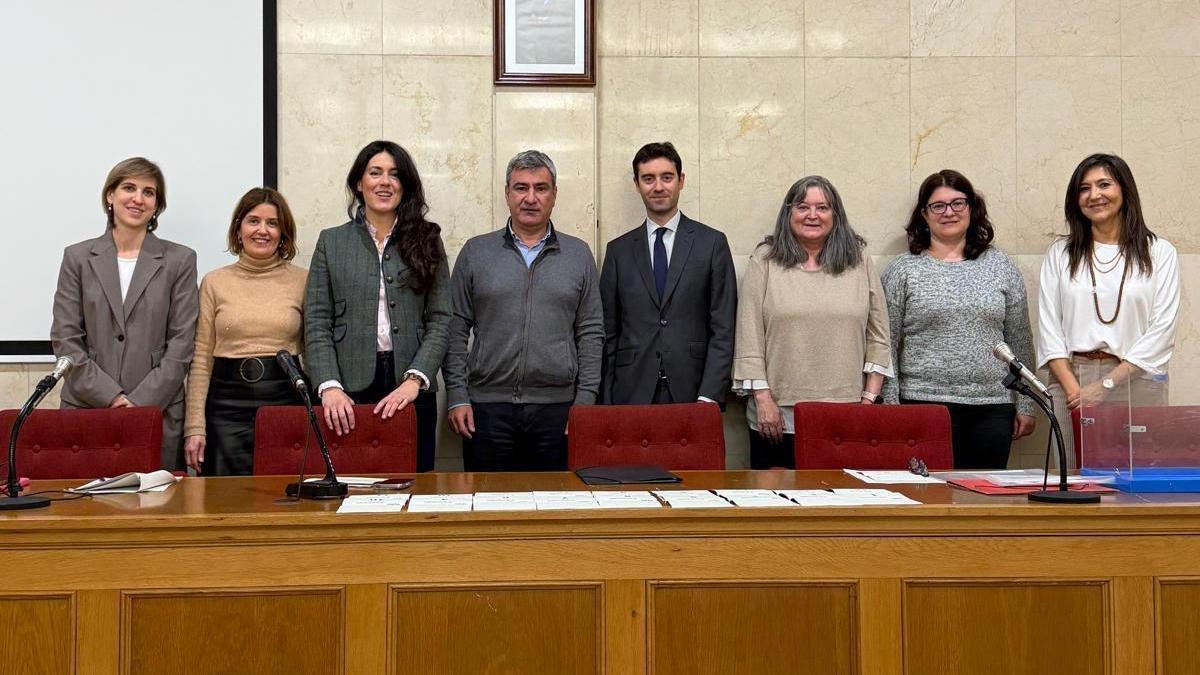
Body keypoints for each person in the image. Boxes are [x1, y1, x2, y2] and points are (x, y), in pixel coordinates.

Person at [444, 150, 604, 472]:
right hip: (486, 410)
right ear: (507, 194)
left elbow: (591, 331)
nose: (530, 198)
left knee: (556, 512)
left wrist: (585, 400)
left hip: (558, 410)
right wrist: (458, 395)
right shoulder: (477, 252)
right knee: (488, 508)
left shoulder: (578, 254)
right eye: (521, 187)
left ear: (554, 195)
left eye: (541, 188)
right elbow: (455, 326)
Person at [305, 141, 451, 473]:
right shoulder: (332, 241)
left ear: (405, 185)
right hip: (346, 391)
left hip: (411, 387)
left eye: (395, 174)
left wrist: (415, 380)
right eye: (375, 173)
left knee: (416, 487)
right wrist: (328, 386)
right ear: (359, 183)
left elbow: (441, 318)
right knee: (350, 489)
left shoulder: (427, 238)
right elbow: (316, 320)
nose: (385, 182)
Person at [733, 175, 891, 470]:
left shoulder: (858, 259)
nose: (812, 215)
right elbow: (748, 334)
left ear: (836, 214)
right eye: (803, 207)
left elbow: (879, 335)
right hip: (777, 416)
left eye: (823, 208)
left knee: (842, 510)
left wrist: (869, 401)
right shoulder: (765, 260)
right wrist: (763, 400)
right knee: (777, 511)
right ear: (788, 213)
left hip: (847, 416)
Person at [881, 170, 1036, 469]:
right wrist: (891, 408)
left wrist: (1027, 403)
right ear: (924, 215)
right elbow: (884, 343)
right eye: (938, 206)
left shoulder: (1001, 266)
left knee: (982, 506)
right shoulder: (902, 270)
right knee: (929, 503)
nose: (948, 212)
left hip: (992, 407)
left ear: (972, 208)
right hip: (923, 405)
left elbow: (1019, 339)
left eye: (958, 203)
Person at [51, 157, 198, 470]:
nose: (138, 198)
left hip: (156, 411)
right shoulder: (77, 257)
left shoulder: (180, 260)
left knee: (154, 513)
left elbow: (182, 343)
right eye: (129, 188)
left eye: (149, 192)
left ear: (157, 205)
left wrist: (138, 402)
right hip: (87, 408)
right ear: (110, 195)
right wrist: (112, 397)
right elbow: (66, 338)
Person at [1038, 153, 1180, 467]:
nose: (1094, 195)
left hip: (1137, 379)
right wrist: (1077, 392)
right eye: (1084, 188)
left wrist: (1105, 386)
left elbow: (1162, 330)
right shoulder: (1060, 254)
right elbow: (1050, 330)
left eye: (1104, 184)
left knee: (1137, 485)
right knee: (1071, 483)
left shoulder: (1159, 252)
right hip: (1070, 381)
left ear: (1125, 190)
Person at [599, 142, 736, 406]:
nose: (658, 187)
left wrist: (709, 395)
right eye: (648, 179)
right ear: (637, 184)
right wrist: (607, 399)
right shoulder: (618, 251)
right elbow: (608, 332)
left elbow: (724, 327)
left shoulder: (712, 244)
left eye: (666, 177)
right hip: (630, 394)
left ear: (681, 180)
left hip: (694, 391)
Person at [182, 188, 307, 475]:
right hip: (225, 407)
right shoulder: (214, 282)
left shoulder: (303, 280)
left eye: (272, 223)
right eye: (253, 221)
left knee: (284, 501)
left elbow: (312, 351)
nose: (262, 230)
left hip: (285, 402)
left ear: (283, 233)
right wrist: (194, 428)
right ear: (238, 229)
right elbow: (201, 360)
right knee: (226, 505)